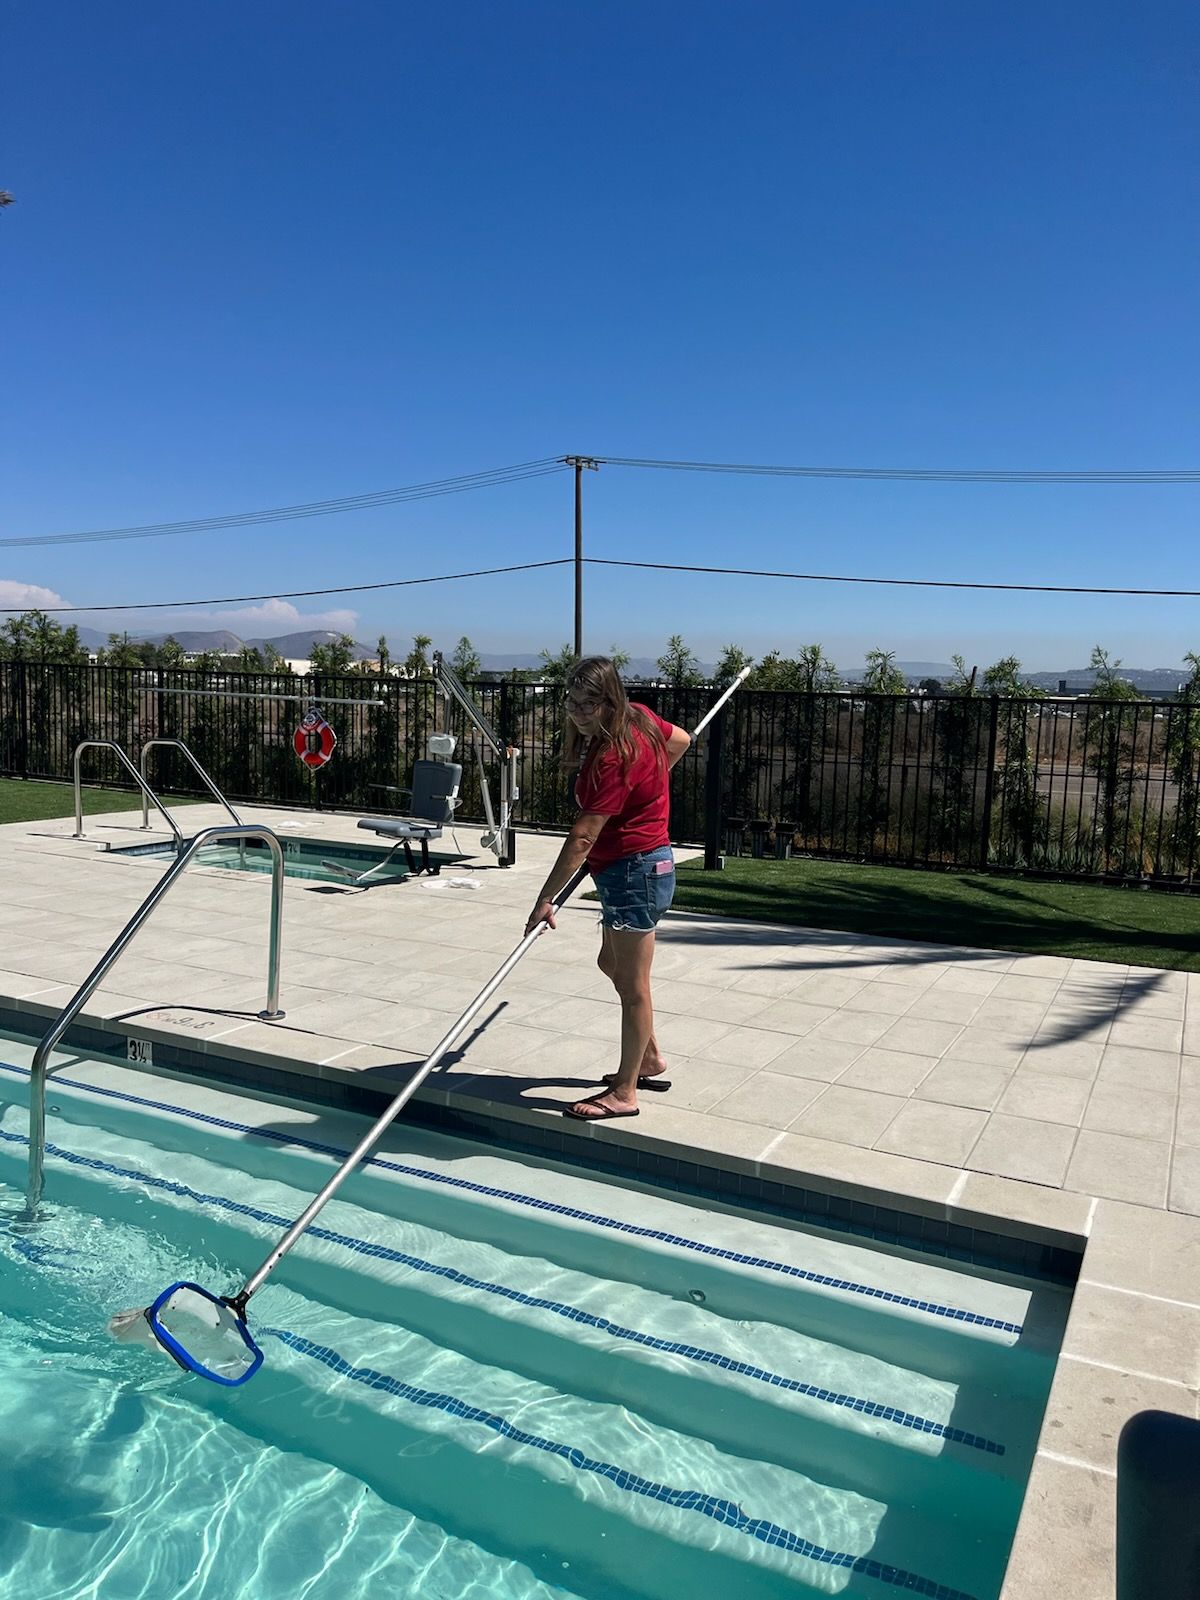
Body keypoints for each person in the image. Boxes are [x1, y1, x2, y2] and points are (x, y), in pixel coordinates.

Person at [524, 657, 691, 1120]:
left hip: (635, 873)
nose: (579, 712)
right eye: (572, 702)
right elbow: (680, 740)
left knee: (634, 986)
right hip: (626, 871)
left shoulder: (615, 754)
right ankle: (651, 1058)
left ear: (610, 699)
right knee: (610, 963)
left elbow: (582, 836)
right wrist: (650, 786)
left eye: (589, 703)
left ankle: (625, 1092)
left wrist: (546, 898)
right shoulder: (637, 717)